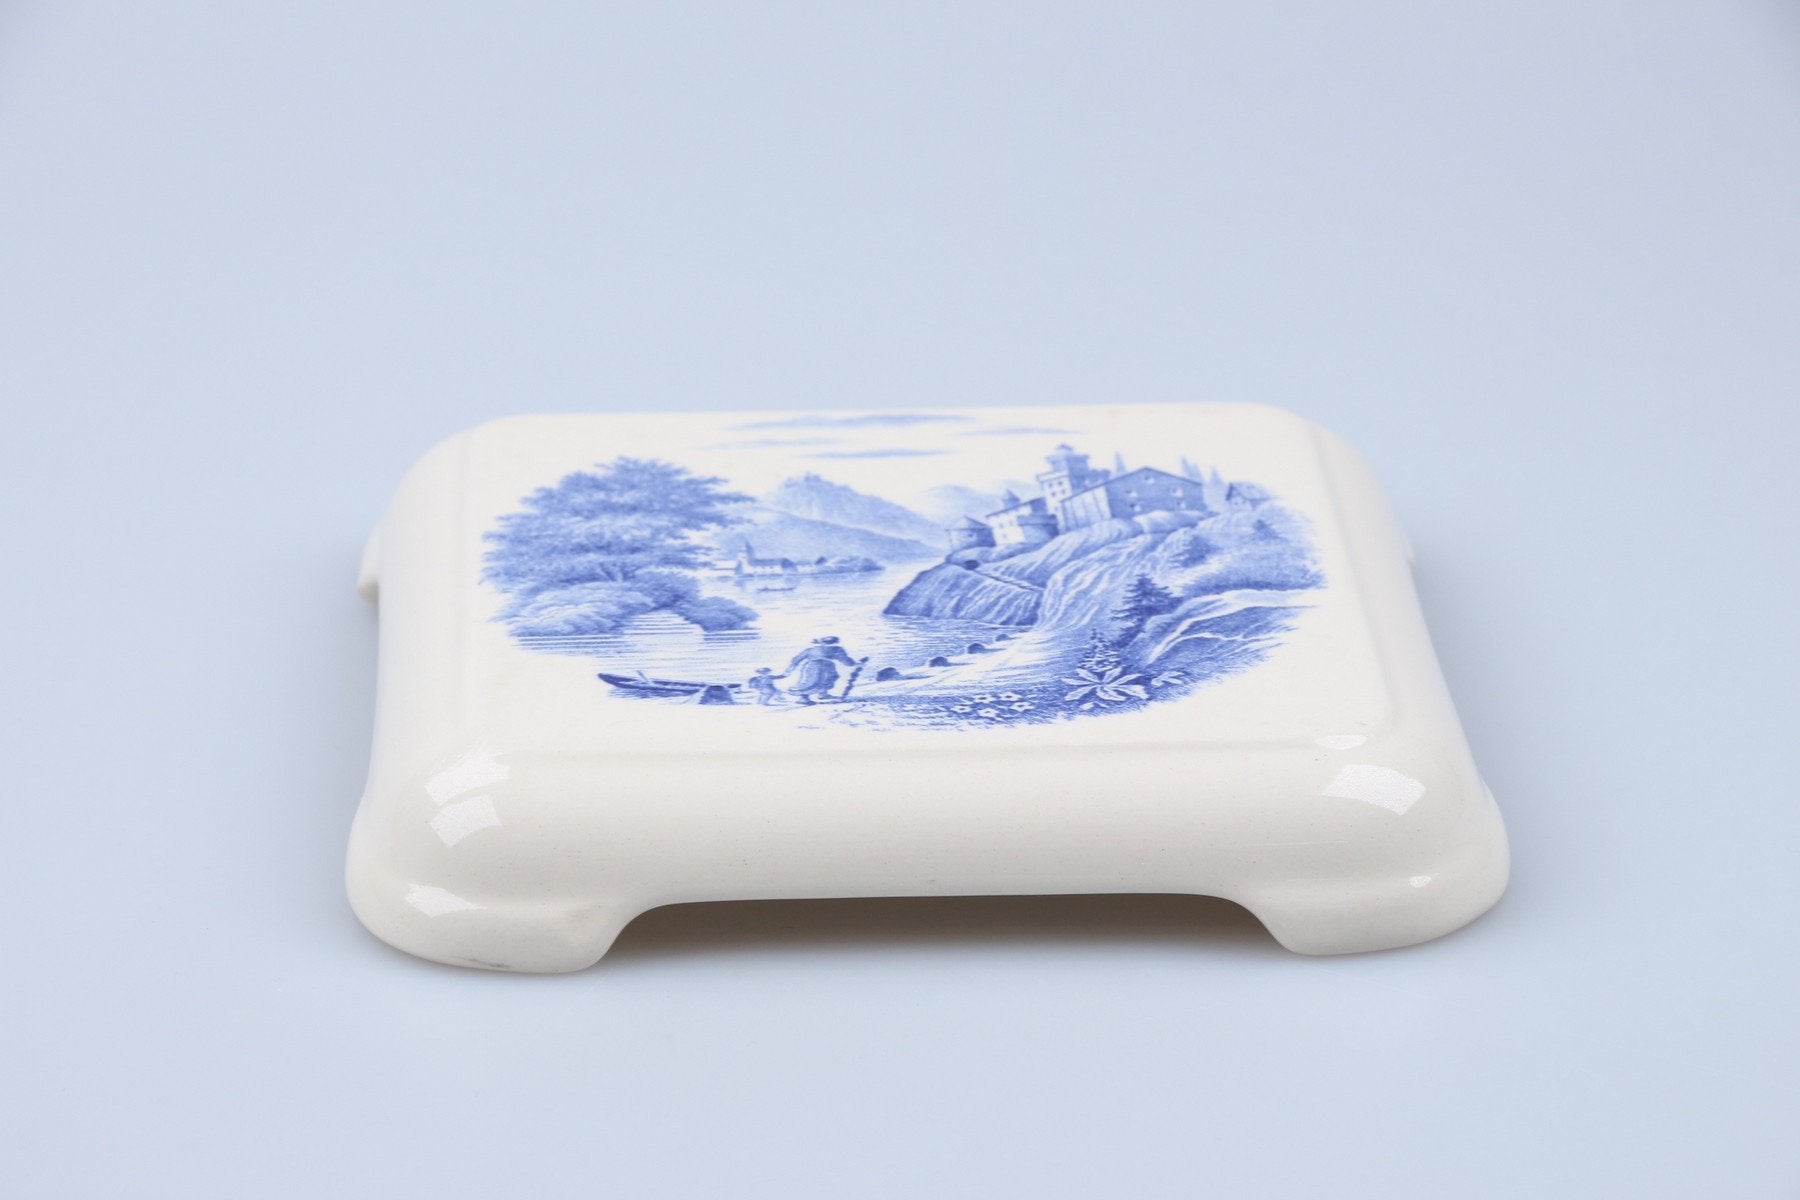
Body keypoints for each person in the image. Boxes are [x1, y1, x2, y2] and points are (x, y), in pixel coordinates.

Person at [777, 635, 865, 704]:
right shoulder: (837, 649)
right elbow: (845, 660)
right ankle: (804, 699)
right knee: (811, 682)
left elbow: (797, 659)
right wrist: (856, 664)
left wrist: (790, 669)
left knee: (825, 680)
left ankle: (823, 694)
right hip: (819, 667)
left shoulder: (812, 649)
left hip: (814, 666)